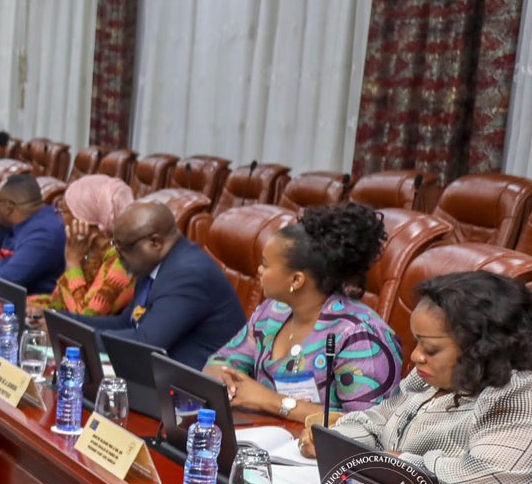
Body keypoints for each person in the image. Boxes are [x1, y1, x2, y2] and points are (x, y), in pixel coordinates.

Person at [303, 271, 532, 484]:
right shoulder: (430, 379)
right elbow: (377, 423)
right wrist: (334, 442)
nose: (415, 356)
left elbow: (498, 483)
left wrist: (397, 463)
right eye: (417, 342)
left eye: (431, 349)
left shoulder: (517, 393)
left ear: (482, 347)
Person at [206, 203, 398, 425]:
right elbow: (221, 361)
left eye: (266, 265)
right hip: (262, 438)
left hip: (317, 447)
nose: (259, 271)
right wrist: (220, 377)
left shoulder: (360, 336)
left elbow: (368, 426)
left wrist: (271, 401)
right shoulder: (273, 312)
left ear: (296, 280)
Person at [92, 202, 246, 367]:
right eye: (115, 245)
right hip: (165, 372)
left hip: (199, 378)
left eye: (124, 247)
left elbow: (145, 343)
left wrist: (86, 339)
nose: (118, 255)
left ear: (155, 242)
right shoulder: (153, 265)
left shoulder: (189, 273)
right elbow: (126, 322)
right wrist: (71, 325)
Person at [30, 175, 138, 317]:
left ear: (84, 218)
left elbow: (83, 318)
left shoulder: (122, 262)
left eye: (64, 211)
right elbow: (60, 302)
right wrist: (26, 304)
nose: (61, 219)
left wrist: (73, 263)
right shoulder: (89, 250)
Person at [0, 174, 66, 294]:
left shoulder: (44, 234)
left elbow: (5, 281)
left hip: (34, 303)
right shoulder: (22, 224)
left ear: (9, 207)